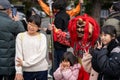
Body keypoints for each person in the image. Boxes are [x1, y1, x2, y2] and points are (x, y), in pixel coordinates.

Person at [50, 14, 100, 80]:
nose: (80, 30)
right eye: (78, 29)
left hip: (91, 68)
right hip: (77, 67)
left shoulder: (96, 42)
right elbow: (64, 36)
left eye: (83, 29)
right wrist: (55, 30)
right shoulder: (75, 40)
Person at [14, 15, 48, 80]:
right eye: (30, 24)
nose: (31, 27)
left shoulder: (42, 37)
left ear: (39, 27)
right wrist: (18, 72)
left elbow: (41, 55)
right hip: (27, 71)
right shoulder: (20, 36)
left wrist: (25, 63)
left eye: (34, 26)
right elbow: (18, 55)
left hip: (41, 70)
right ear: (27, 23)